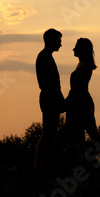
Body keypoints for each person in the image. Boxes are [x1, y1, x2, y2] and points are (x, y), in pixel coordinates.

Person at [34, 28, 64, 168]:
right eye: (59, 40)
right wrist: (59, 98)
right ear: (51, 40)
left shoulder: (46, 56)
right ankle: (39, 164)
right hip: (49, 98)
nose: (60, 44)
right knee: (48, 132)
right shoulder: (45, 57)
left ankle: (43, 163)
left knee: (50, 131)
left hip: (50, 97)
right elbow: (51, 82)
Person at [64, 37, 100, 146]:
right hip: (78, 100)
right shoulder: (81, 64)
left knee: (92, 132)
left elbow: (77, 86)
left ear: (82, 49)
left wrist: (67, 100)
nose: (73, 49)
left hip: (81, 101)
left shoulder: (86, 65)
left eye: (76, 47)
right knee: (78, 133)